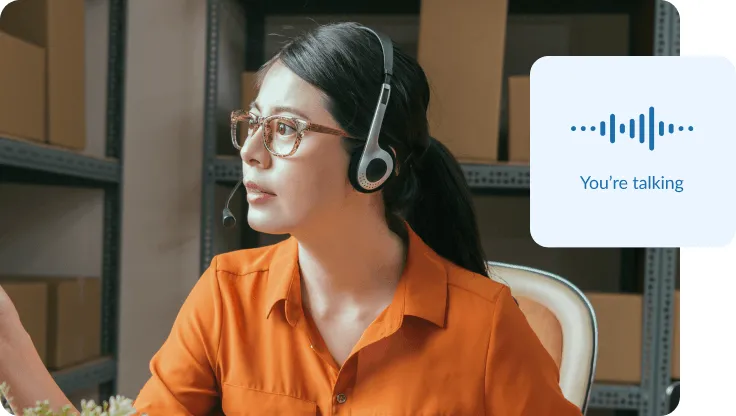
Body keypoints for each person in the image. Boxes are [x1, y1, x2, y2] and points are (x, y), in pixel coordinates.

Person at [0, 22, 582, 415]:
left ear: (373, 161)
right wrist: (12, 346)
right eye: (252, 123)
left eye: (285, 129)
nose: (250, 150)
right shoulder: (226, 296)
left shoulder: (487, 326)